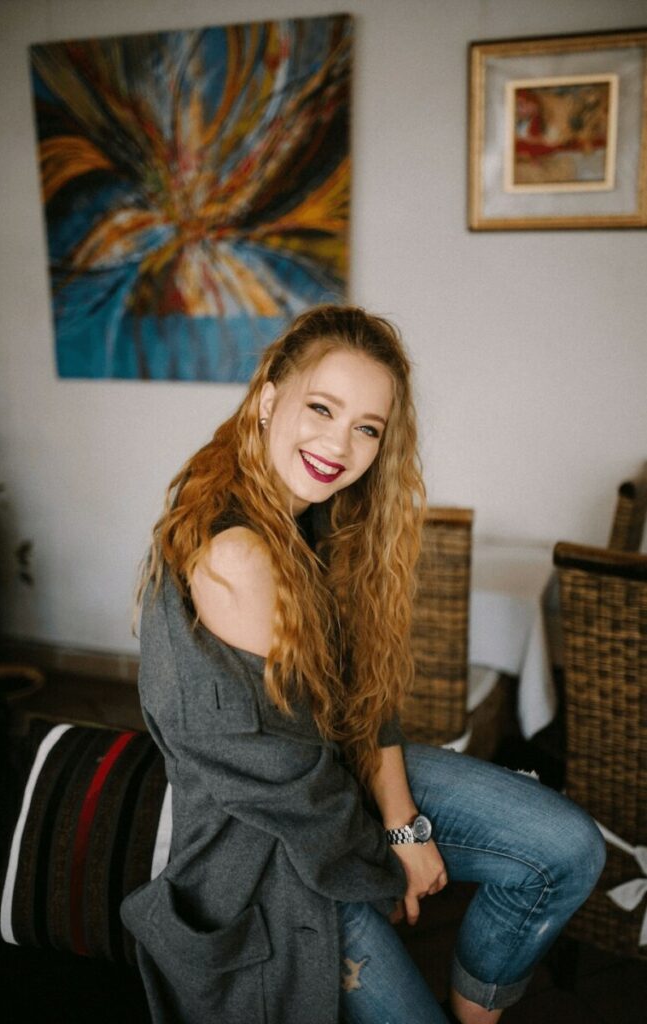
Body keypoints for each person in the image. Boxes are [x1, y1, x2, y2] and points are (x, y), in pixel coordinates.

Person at [121, 305, 605, 1024]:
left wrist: (404, 821)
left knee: (567, 849)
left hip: (336, 778)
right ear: (266, 400)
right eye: (321, 407)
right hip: (272, 854)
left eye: (366, 427)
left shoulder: (317, 518)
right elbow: (283, 781)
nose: (339, 444)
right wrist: (386, 862)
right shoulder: (238, 554)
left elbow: (363, 698)